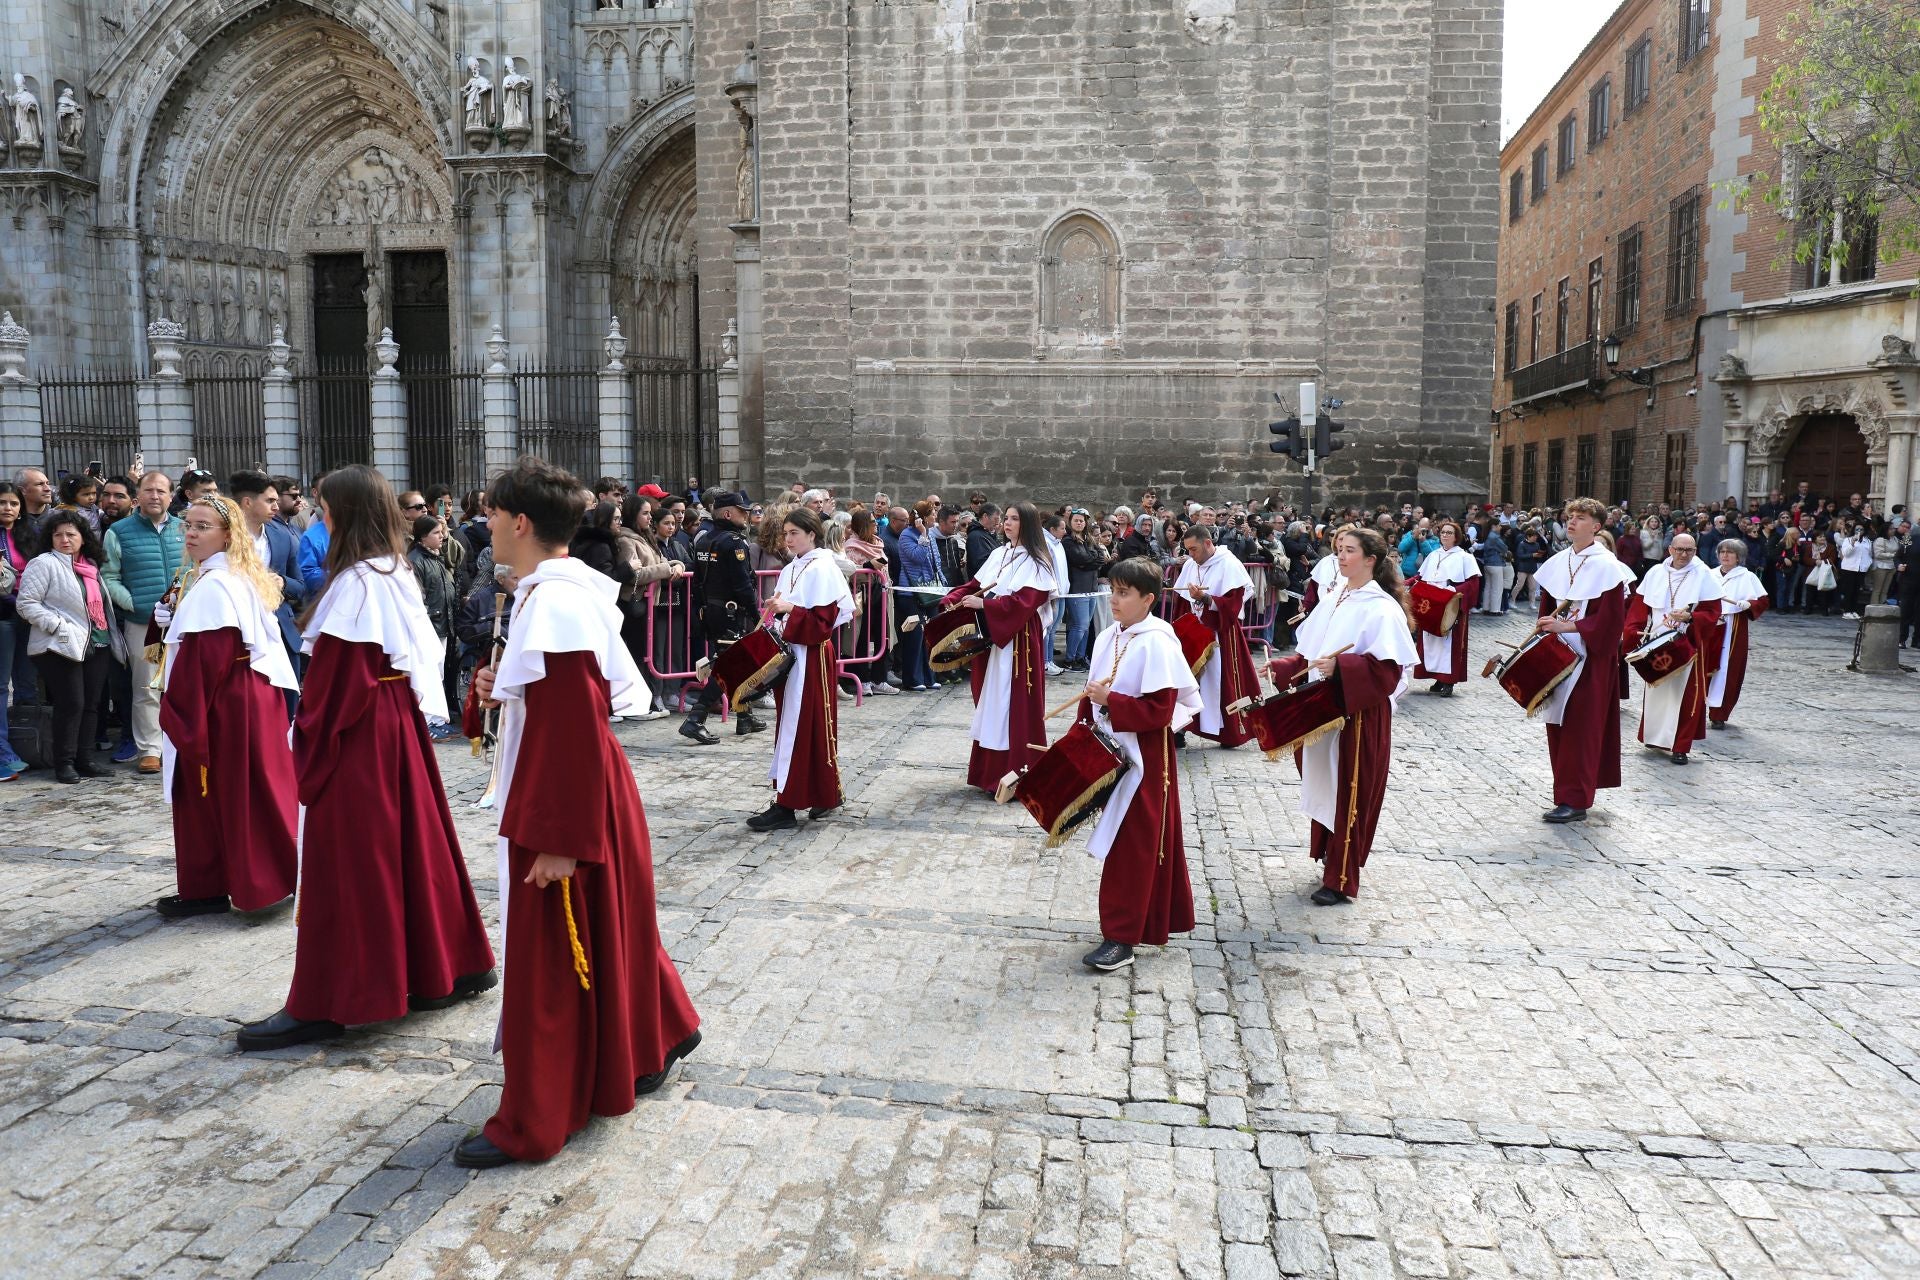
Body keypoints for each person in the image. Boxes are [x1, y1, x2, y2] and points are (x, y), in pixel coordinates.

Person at [455, 457, 701, 1169]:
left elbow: (571, 721)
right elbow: (553, 701)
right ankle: (658, 1031)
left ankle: (540, 1113)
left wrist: (559, 838)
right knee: (610, 928)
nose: (489, 525)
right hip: (584, 791)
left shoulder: (556, 601)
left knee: (556, 960)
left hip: (567, 800)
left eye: (494, 514)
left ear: (521, 522)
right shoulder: (553, 591)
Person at [238, 465, 495, 1052]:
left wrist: (306, 744)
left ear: (347, 513)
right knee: (411, 848)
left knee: (348, 862)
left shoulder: (358, 581)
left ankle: (332, 1000)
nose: (320, 517)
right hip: (392, 726)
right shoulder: (391, 568)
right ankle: (445, 970)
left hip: (360, 734)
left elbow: (337, 683)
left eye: (326, 508)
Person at [156, 495, 299, 917]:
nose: (191, 533)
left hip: (226, 705)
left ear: (227, 535)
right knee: (249, 790)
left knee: (227, 793)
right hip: (247, 698)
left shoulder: (218, 585)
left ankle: (242, 885)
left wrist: (180, 714)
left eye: (202, 526)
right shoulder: (224, 577)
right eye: (189, 525)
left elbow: (209, 657)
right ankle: (238, 881)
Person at [1074, 556, 1203, 972]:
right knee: (1127, 843)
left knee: (1134, 844)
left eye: (1124, 593)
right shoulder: (1110, 635)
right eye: (1112, 590)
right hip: (1112, 749)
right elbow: (1093, 694)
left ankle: (1121, 938)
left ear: (1148, 599)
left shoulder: (1157, 640)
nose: (1114, 599)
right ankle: (1135, 924)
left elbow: (1161, 711)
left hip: (1146, 758)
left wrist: (1112, 702)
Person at [1288, 526, 1416, 904]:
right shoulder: (1335, 597)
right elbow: (1311, 652)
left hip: (1359, 716)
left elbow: (1389, 671)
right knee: (1328, 785)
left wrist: (1342, 668)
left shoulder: (1380, 608)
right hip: (1326, 709)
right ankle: (1330, 855)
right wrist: (1285, 667)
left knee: (1350, 792)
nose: (1341, 557)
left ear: (1371, 560)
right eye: (1339, 550)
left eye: (1349, 551)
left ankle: (1341, 878)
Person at [747, 507, 856, 831]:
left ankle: (788, 804)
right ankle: (817, 793)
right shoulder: (793, 567)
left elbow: (822, 623)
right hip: (793, 655)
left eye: (794, 533)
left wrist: (789, 609)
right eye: (786, 533)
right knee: (797, 727)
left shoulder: (823, 567)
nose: (788, 539)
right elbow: (788, 612)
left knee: (807, 726)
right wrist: (776, 615)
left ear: (811, 534)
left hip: (812, 657)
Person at [1532, 498, 1638, 822]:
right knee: (1558, 726)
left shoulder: (1608, 566)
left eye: (1580, 517)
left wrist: (1568, 625)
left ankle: (1575, 801)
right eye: (1570, 517)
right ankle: (1565, 793)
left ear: (1597, 526)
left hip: (1590, 660)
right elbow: (1548, 608)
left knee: (1580, 728)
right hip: (1559, 654)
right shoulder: (1559, 560)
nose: (1572, 522)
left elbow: (1609, 623)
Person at [941, 500, 1058, 793]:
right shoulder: (999, 553)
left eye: (1015, 519)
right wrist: (951, 598)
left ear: (1028, 524)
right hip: (994, 636)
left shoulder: (1037, 561)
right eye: (1006, 518)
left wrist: (986, 604)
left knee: (1014, 704)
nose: (1007, 523)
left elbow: (1026, 602)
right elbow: (976, 585)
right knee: (992, 702)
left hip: (1018, 641)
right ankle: (988, 773)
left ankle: (1017, 773)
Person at [16, 511, 127, 783]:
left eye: (71, 534)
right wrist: (57, 626)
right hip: (59, 644)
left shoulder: (90, 564)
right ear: (50, 538)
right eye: (58, 535)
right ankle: (63, 762)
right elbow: (26, 603)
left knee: (91, 704)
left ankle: (85, 759)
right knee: (71, 703)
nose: (64, 539)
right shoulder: (44, 563)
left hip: (97, 642)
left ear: (82, 538)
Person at [103, 472, 184, 774]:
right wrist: (134, 604)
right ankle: (150, 749)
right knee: (148, 685)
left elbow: (195, 569)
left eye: (161, 491)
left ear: (171, 495)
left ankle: (181, 744)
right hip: (143, 624)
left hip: (183, 623)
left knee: (181, 684)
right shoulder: (119, 531)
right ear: (138, 494)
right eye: (148, 490)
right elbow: (108, 576)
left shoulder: (185, 528)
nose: (154, 496)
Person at [1623, 533, 1723, 766]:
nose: (1684, 554)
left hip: (1687, 642)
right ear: (1670, 550)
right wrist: (1631, 632)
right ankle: (1655, 738)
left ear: (1695, 551)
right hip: (1658, 640)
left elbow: (1712, 613)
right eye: (1679, 549)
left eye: (1689, 550)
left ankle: (1680, 746)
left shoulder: (1704, 575)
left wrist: (1690, 616)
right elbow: (1639, 607)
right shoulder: (1656, 573)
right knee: (1658, 691)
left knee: (1685, 696)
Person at [680, 491, 768, 744]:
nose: (747, 515)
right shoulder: (735, 543)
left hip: (712, 610)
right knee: (727, 665)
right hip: (731, 613)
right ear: (728, 513)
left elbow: (697, 582)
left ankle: (744, 715)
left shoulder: (705, 540)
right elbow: (743, 585)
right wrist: (756, 614)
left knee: (738, 662)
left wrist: (701, 609)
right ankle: (695, 719)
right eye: (743, 511)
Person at [1173, 524, 1259, 747]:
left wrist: (1205, 599)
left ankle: (1230, 732)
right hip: (1193, 634)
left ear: (1208, 543)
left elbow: (1233, 603)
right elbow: (1182, 601)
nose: (1191, 555)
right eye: (1188, 550)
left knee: (1223, 682)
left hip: (1221, 635)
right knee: (1185, 680)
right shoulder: (1192, 565)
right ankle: (1180, 728)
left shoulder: (1229, 564)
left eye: (1194, 549)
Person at [229, 470, 306, 712]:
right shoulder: (224, 536)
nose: (276, 506)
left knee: (287, 705)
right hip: (239, 631)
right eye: (269, 500)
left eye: (276, 500)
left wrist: (282, 582)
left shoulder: (283, 535)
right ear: (248, 502)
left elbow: (300, 585)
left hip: (279, 627)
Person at [1412, 518, 1482, 696]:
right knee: (1431, 641)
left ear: (1456, 537)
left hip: (1450, 604)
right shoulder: (1433, 555)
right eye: (1443, 532)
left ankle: (1449, 681)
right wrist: (1407, 583)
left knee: (1449, 642)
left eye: (1449, 533)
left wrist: (1454, 590)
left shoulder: (1465, 557)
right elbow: (1420, 577)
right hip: (1431, 604)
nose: (1445, 535)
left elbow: (1473, 584)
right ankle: (1437, 677)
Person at [408, 514, 462, 736]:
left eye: (442, 532)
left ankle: (437, 719)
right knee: (428, 674)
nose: (442, 536)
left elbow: (457, 561)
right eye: (436, 533)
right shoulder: (416, 560)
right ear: (423, 537)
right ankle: (427, 720)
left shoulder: (435, 557)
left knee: (438, 672)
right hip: (430, 624)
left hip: (443, 622)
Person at [1706, 538, 1768, 730]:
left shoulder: (1747, 577)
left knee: (1729, 668)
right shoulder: (1709, 574)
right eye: (1722, 551)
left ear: (1738, 557)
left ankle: (1719, 713)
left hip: (1733, 625)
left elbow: (1762, 600)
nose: (1725, 555)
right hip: (1710, 623)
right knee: (1705, 664)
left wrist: (1750, 604)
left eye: (1730, 552)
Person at [0, 481, 35, 779]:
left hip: (29, 615)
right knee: (1, 687)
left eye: (12, 503)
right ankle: (2, 751)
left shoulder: (29, 534)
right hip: (4, 616)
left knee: (27, 684)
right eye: (2, 502)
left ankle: (28, 743)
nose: (7, 508)